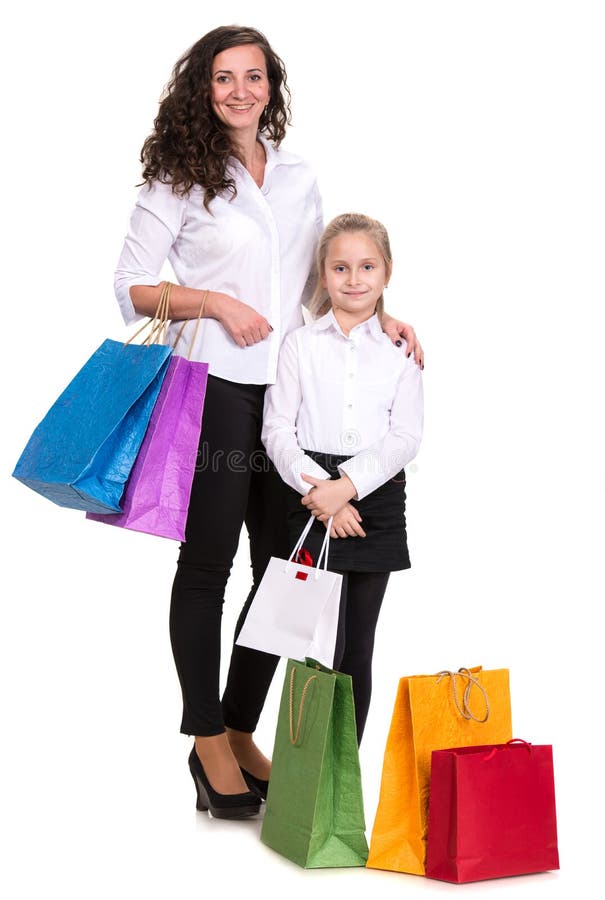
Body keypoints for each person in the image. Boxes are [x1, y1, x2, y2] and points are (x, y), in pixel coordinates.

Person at [113, 25, 424, 818]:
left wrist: (381, 319)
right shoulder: (178, 178)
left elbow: (320, 286)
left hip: (290, 399)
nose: (240, 91)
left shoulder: (298, 177)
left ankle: (240, 721)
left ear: (271, 88)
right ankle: (206, 736)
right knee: (208, 565)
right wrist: (212, 300)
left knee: (284, 570)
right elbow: (132, 288)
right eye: (224, 78)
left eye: (254, 76)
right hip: (216, 388)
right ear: (202, 88)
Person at [262, 213, 423, 744]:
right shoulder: (300, 346)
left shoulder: (401, 352)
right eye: (340, 268)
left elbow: (404, 438)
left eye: (367, 266)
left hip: (374, 497)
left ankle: (339, 788)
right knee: (310, 643)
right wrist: (319, 491)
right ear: (323, 274)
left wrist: (347, 487)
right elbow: (277, 429)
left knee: (357, 648)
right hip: (307, 497)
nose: (354, 279)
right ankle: (299, 784)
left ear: (387, 272)